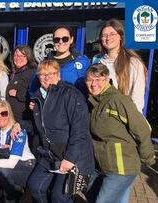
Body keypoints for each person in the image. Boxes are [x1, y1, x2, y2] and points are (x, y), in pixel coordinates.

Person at [85, 63, 156, 203]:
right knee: (92, 196)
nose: (94, 84)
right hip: (100, 164)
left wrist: (148, 158)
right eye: (90, 80)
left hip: (121, 166)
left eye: (99, 79)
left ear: (107, 80)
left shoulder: (118, 100)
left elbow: (142, 128)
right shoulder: (93, 101)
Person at [28, 59, 94, 203]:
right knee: (34, 186)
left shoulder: (71, 95)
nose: (46, 77)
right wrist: (18, 125)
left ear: (59, 75)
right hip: (51, 156)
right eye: (42, 74)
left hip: (77, 158)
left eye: (51, 73)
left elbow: (80, 131)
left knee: (59, 197)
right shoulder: (39, 97)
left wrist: (70, 159)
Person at [93, 19, 147, 112]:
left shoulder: (133, 63)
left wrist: (133, 120)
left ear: (121, 37)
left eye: (112, 34)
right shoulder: (97, 60)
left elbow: (137, 98)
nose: (108, 38)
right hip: (101, 117)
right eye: (104, 35)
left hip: (123, 117)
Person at [29, 25, 90, 97]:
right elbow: (33, 88)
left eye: (65, 39)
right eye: (57, 39)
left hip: (74, 106)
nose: (61, 42)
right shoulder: (44, 63)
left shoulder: (83, 61)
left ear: (71, 39)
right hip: (51, 106)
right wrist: (35, 100)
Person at [6, 45, 36, 130]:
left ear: (28, 57)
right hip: (13, 119)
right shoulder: (15, 73)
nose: (18, 58)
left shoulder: (31, 73)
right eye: (15, 55)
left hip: (23, 120)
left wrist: (17, 94)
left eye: (22, 55)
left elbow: (34, 94)